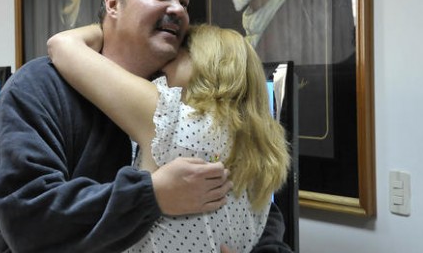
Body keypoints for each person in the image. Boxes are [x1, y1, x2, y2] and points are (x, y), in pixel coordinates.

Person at [0, 0, 292, 252]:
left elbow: (254, 207)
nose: (178, 10)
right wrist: (151, 195)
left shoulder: (182, 102)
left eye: (184, 2)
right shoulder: (37, 88)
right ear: (113, 3)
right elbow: (28, 218)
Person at [47, 22, 291, 252]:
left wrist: (114, 27)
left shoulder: (178, 123)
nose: (162, 67)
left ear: (205, 63)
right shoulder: (260, 150)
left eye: (176, 55)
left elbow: (62, 45)